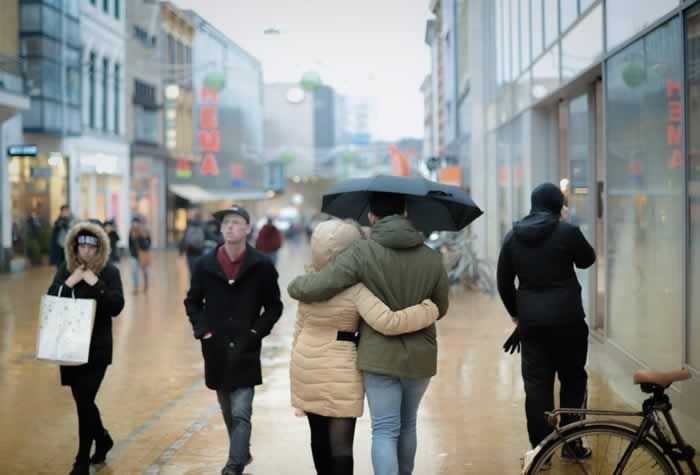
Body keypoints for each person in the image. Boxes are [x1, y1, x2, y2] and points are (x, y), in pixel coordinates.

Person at [288, 192, 450, 475]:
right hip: (420, 356)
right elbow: (442, 307)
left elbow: (322, 285)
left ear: (372, 217)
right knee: (408, 424)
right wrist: (426, 310)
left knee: (385, 430)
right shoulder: (433, 258)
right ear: (406, 213)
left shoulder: (361, 253)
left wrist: (296, 285)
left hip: (378, 356)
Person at [496, 182, 596, 461]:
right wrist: (566, 229)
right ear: (558, 205)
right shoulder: (567, 232)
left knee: (537, 386)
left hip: (532, 326)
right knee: (573, 381)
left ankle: (542, 451)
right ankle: (572, 446)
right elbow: (587, 259)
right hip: (569, 322)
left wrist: (517, 314)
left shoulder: (512, 237)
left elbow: (503, 282)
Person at [184, 204, 283, 475]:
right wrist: (203, 331)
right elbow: (192, 302)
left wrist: (255, 333)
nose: (229, 227)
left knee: (241, 411)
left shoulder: (261, 265)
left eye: (236, 222)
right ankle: (242, 452)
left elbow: (274, 306)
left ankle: (234, 465)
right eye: (226, 222)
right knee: (227, 409)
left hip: (246, 348)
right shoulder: (206, 265)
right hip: (215, 348)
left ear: (248, 228)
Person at [47, 221, 125, 475]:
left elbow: (116, 306)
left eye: (92, 246)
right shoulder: (65, 269)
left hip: (97, 348)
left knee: (84, 400)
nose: (86, 251)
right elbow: (51, 300)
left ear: (99, 248)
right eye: (82, 245)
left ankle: (81, 459)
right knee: (83, 401)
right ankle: (102, 439)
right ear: (74, 246)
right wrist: (69, 282)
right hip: (69, 348)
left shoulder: (109, 271)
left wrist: (95, 283)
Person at [180, 210, 206, 276]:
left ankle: (193, 285)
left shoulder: (189, 226)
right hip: (200, 252)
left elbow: (183, 240)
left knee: (191, 273)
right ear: (201, 217)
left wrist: (181, 252)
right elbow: (212, 237)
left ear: (193, 217)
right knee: (200, 272)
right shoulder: (203, 226)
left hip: (190, 252)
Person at [128, 219, 151, 293]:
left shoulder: (144, 232)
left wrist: (140, 236)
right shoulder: (131, 232)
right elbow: (130, 244)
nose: (135, 224)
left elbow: (148, 243)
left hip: (143, 255)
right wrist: (131, 252)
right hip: (134, 255)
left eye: (136, 223)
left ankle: (146, 285)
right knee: (134, 271)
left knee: (145, 271)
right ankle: (135, 287)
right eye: (133, 223)